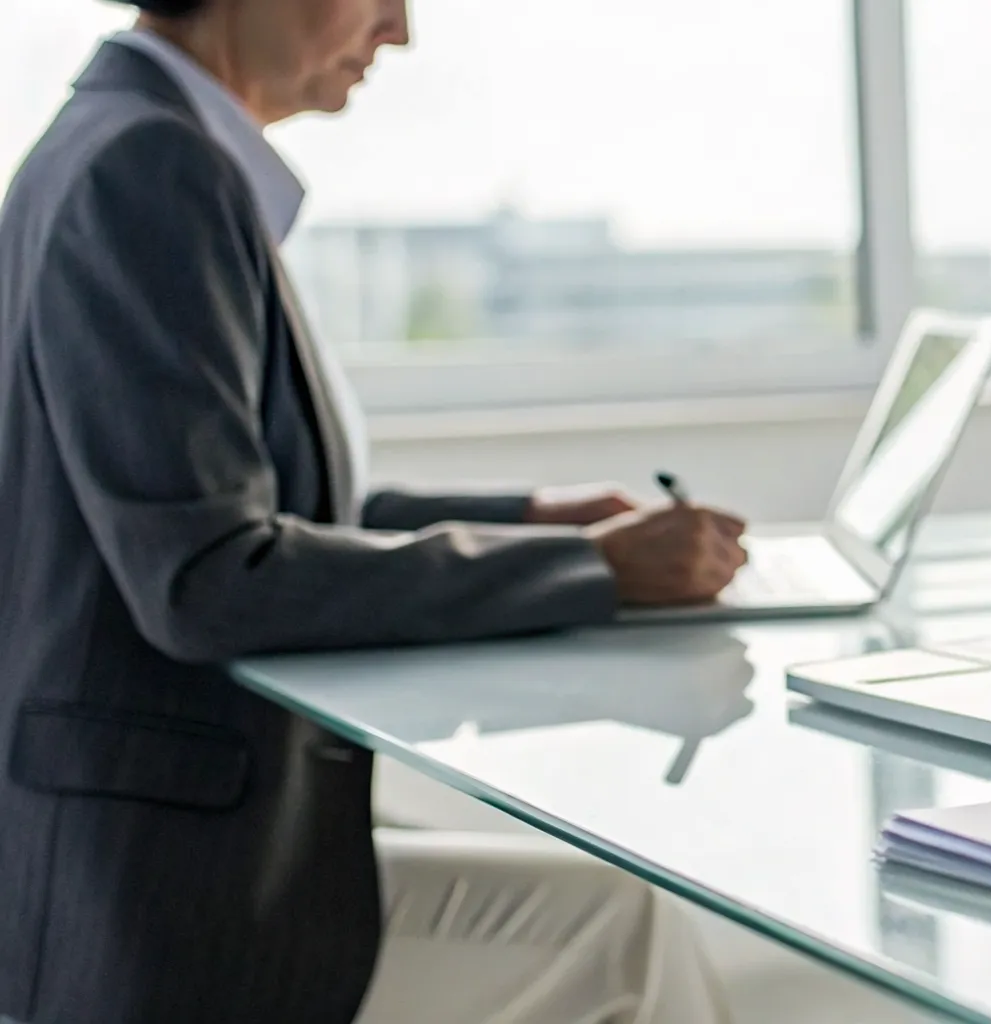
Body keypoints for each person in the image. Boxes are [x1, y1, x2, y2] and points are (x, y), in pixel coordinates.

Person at [0, 0, 751, 1020]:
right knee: (618, 931)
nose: (397, 31)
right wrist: (600, 572)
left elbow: (283, 507)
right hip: (160, 885)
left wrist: (543, 520)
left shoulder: (134, 143)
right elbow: (210, 575)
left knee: (618, 922)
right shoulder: (147, 167)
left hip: (162, 835)